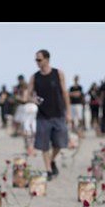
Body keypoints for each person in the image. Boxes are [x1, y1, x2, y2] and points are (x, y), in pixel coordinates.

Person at [27, 49, 71, 181]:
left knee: (60, 143)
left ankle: (51, 161)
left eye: (39, 60)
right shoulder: (34, 77)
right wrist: (33, 99)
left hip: (58, 113)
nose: (37, 62)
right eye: (36, 60)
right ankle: (48, 170)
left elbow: (64, 93)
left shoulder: (58, 73)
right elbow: (28, 95)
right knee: (44, 145)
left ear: (47, 59)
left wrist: (68, 112)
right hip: (42, 116)